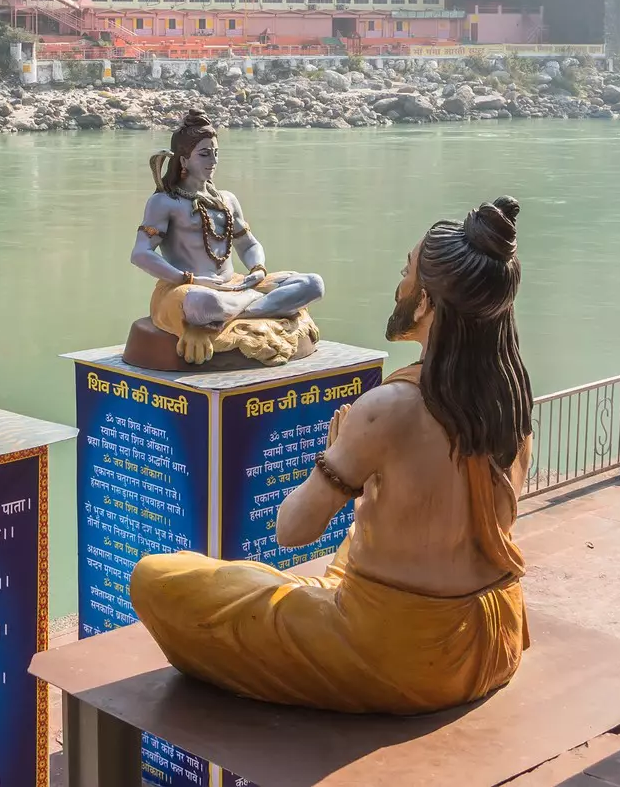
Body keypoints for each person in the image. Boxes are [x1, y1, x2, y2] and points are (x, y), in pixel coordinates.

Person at [130, 197, 534, 715]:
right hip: (496, 636)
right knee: (342, 559)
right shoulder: (511, 398)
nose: (400, 286)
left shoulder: (391, 409)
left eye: (406, 273)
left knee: (158, 577)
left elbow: (291, 529)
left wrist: (335, 460)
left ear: (428, 301)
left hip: (402, 657)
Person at [131, 109, 324, 365]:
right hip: (187, 289)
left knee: (313, 284)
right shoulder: (165, 202)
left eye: (215, 153)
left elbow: (248, 243)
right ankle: (260, 305)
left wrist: (257, 268)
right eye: (204, 154)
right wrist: (190, 278)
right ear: (184, 160)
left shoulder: (227, 200)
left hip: (235, 284)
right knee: (204, 304)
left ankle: (237, 309)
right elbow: (140, 254)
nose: (212, 161)